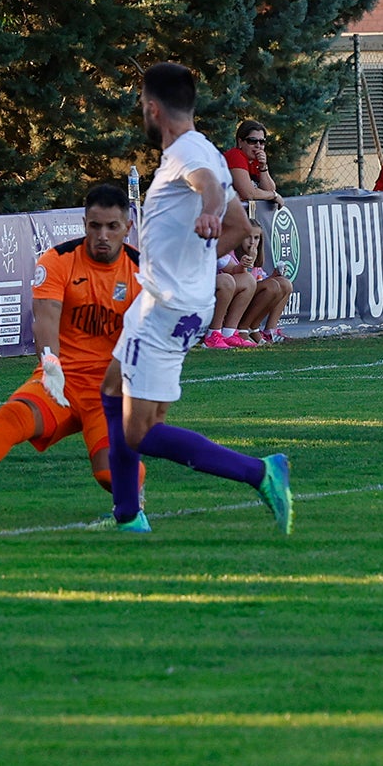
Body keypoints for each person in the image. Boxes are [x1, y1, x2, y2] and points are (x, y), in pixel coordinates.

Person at [95, 62, 292, 534]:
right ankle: (127, 516)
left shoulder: (188, 153)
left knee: (140, 429)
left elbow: (206, 184)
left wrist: (207, 213)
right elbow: (241, 227)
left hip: (165, 308)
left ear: (153, 108)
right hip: (171, 300)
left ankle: (262, 472)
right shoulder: (202, 146)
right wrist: (198, 256)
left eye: (142, 106)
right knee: (112, 390)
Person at [0, 183, 144, 498]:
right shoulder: (59, 260)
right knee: (15, 415)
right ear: (84, 225)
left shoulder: (142, 271)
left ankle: (133, 497)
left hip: (110, 387)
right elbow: (45, 318)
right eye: (95, 226)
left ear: (128, 228)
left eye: (112, 227)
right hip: (62, 378)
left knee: (110, 473)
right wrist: (51, 363)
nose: (102, 235)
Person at [202, 231, 260, 349]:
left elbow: (233, 269)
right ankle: (212, 335)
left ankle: (228, 334)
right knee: (225, 281)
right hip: (184, 288)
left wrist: (243, 264)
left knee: (247, 280)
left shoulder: (211, 242)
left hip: (204, 288)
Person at [224, 120, 283, 208]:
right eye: (252, 141)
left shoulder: (255, 161)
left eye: (262, 142)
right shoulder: (235, 155)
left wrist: (263, 167)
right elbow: (248, 193)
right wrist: (274, 195)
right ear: (240, 142)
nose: (258, 145)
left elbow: (269, 190)